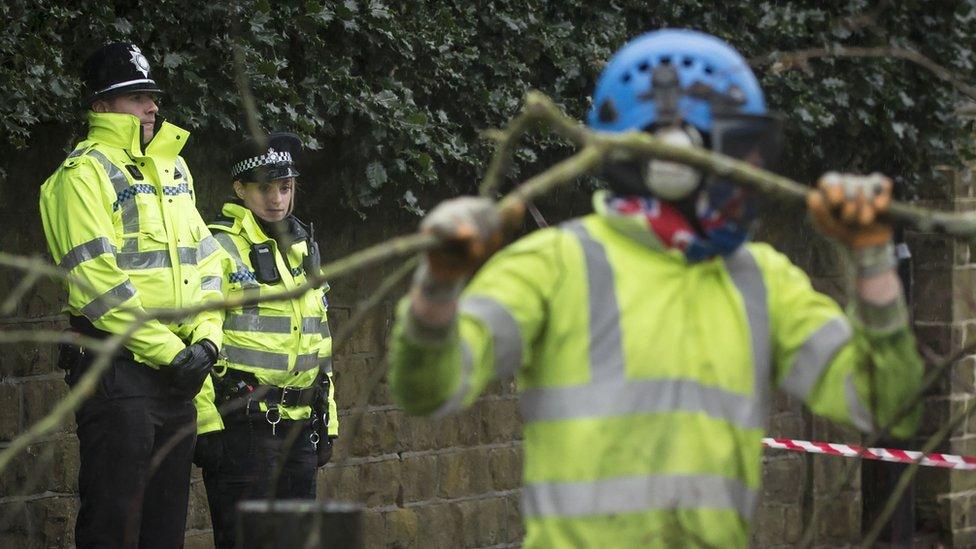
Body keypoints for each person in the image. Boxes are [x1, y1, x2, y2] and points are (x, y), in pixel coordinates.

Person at [386, 29, 923, 547]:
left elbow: (889, 406)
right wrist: (439, 283)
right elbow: (427, 389)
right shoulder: (555, 265)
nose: (748, 176)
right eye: (730, 154)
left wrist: (873, 257)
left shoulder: (761, 279)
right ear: (671, 159)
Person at [38, 43, 224, 548]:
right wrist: (176, 352)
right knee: (115, 526)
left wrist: (208, 340)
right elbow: (97, 282)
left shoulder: (174, 170)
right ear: (100, 106)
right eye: (135, 96)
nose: (151, 107)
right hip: (118, 371)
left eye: (151, 96)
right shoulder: (81, 175)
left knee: (165, 530)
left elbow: (208, 261)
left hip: (179, 374)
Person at [193, 132, 338, 549]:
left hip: (300, 430)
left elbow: (319, 340)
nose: (277, 199)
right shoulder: (217, 245)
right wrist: (205, 424)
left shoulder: (303, 247)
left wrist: (327, 419)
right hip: (243, 428)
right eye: (265, 187)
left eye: (286, 187)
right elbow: (196, 334)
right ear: (240, 189)